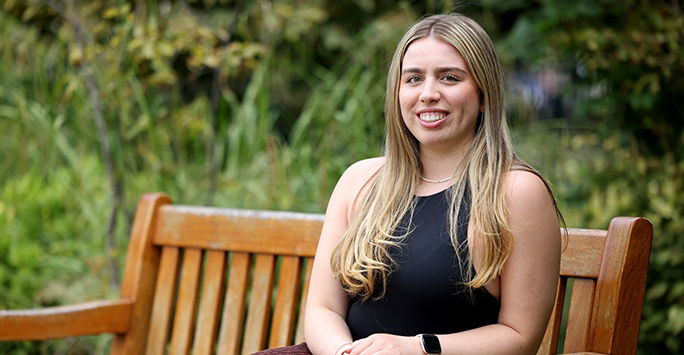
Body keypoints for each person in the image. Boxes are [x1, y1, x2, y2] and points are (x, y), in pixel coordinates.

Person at [256, 12, 563, 355]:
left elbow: (521, 337)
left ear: (483, 92)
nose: (428, 93)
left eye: (449, 77)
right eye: (414, 79)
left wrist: (416, 348)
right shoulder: (360, 182)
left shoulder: (515, 192)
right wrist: (345, 353)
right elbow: (322, 308)